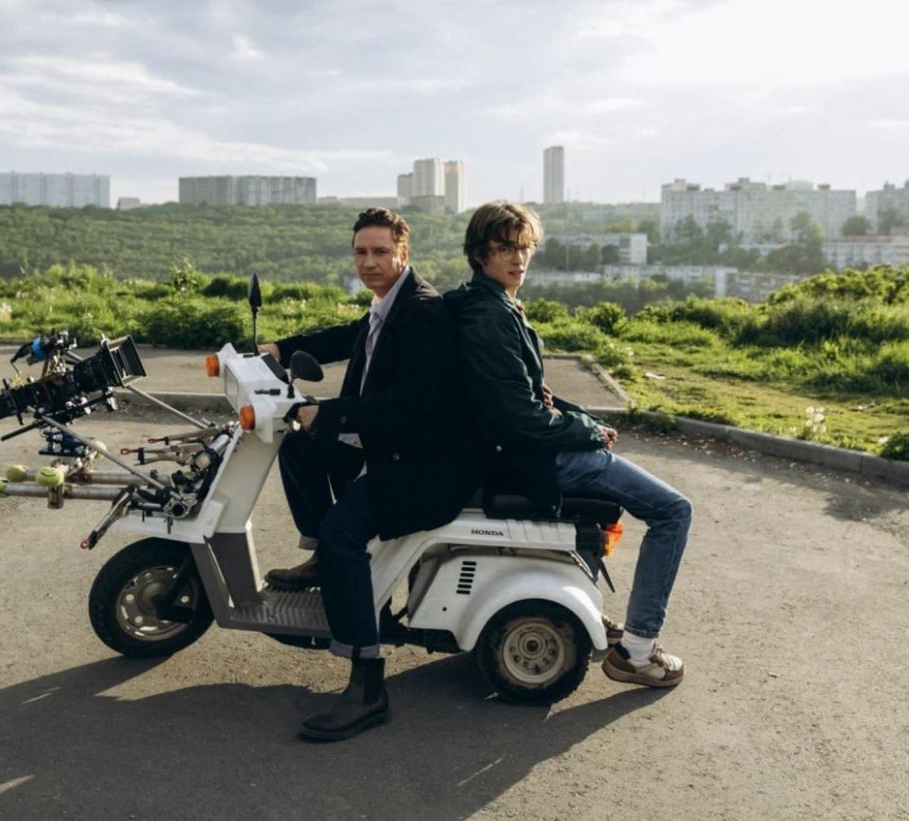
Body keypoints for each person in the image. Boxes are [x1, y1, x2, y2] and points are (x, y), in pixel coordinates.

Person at [450, 201, 691, 687]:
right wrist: (587, 432)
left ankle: (595, 613)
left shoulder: (490, 303)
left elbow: (529, 395)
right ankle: (637, 652)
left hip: (523, 450)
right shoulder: (490, 316)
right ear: (479, 253)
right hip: (533, 459)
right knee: (673, 511)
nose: (518, 259)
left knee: (638, 494)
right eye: (504, 249)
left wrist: (585, 421)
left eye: (524, 248)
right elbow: (522, 417)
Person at [259, 208, 475, 740]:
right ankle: (322, 561)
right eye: (361, 252)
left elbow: (413, 403)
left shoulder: (423, 312)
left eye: (381, 252)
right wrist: (280, 349)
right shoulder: (389, 303)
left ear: (403, 253)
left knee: (344, 532)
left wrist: (329, 413)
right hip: (391, 448)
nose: (369, 262)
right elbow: (350, 336)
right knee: (299, 449)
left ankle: (368, 686)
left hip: (423, 468)